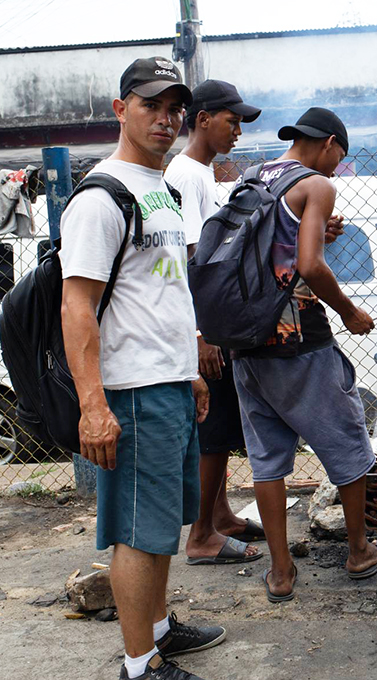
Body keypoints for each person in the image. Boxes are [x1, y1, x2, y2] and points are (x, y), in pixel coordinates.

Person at [60, 57, 221, 680]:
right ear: (120, 108)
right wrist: (93, 405)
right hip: (129, 393)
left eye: (174, 107)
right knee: (137, 531)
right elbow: (78, 306)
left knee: (162, 528)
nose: (166, 118)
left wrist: (191, 368)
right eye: (151, 104)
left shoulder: (165, 188)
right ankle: (138, 665)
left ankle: (155, 629)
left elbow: (166, 290)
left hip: (170, 383)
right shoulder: (101, 198)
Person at [231, 107, 377, 604]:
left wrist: (316, 233)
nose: (336, 170)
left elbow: (265, 254)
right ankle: (359, 551)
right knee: (347, 443)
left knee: (267, 459)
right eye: (338, 158)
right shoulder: (316, 185)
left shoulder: (253, 178)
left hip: (246, 342)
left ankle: (281, 574)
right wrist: (347, 310)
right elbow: (307, 265)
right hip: (299, 342)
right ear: (327, 143)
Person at [165, 79, 266, 566]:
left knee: (221, 431)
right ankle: (202, 535)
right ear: (202, 119)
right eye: (232, 121)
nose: (238, 132)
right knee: (213, 429)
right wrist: (201, 336)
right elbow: (188, 262)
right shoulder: (186, 175)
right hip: (203, 329)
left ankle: (221, 515)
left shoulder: (202, 173)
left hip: (210, 323)